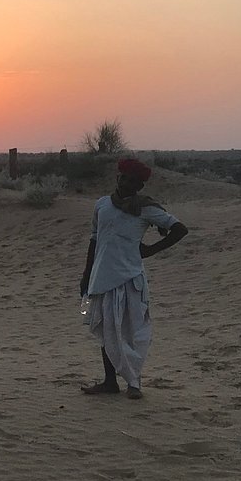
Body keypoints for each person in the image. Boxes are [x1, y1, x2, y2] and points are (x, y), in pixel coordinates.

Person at [78, 158, 188, 399]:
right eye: (124, 178)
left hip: (130, 278)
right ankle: (110, 382)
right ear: (118, 177)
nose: (126, 184)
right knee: (107, 329)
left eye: (133, 182)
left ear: (139, 186)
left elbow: (179, 229)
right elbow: (94, 240)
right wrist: (86, 274)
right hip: (102, 278)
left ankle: (134, 383)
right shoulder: (102, 205)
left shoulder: (146, 209)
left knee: (133, 331)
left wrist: (150, 250)